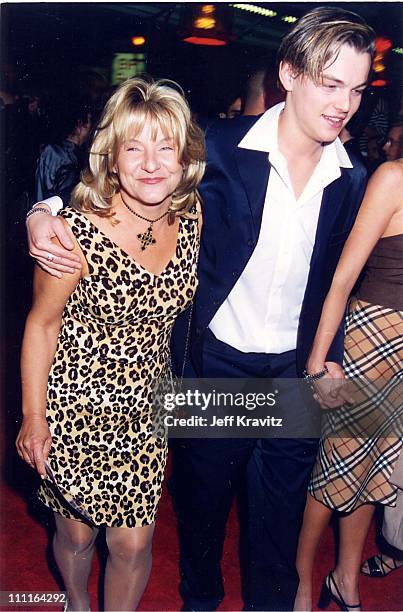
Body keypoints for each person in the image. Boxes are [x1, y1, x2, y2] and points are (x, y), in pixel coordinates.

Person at [25, 7, 375, 610]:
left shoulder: (353, 179)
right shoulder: (215, 148)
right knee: (203, 514)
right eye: (330, 82)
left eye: (358, 89)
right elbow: (130, 174)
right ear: (288, 74)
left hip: (293, 377)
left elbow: (338, 280)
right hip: (212, 369)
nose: (345, 103)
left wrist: (329, 357)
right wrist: (42, 211)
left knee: (278, 522)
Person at [17, 77, 205, 612]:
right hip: (75, 405)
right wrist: (34, 417)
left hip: (147, 407)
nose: (151, 163)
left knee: (134, 542)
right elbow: (41, 325)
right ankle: (77, 603)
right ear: (112, 158)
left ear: (183, 156)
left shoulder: (190, 216)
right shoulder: (70, 232)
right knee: (77, 536)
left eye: (165, 147)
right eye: (135, 147)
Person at [293, 157, 403, 611]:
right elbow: (342, 277)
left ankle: (345, 578)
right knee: (335, 470)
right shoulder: (393, 177)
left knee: (376, 473)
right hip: (372, 340)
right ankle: (298, 579)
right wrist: (318, 362)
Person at [35, 97, 92, 204]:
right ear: (79, 125)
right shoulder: (62, 155)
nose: (90, 128)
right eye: (88, 123)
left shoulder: (54, 150)